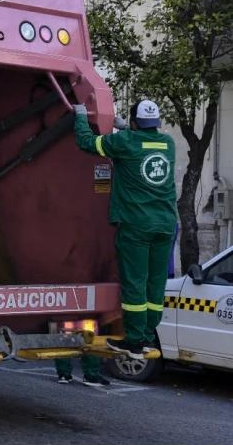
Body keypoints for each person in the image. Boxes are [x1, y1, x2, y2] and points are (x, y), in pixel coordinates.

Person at [73, 99, 177, 360]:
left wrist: (81, 117)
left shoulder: (126, 142)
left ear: (134, 122)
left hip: (137, 226)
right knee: (156, 283)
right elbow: (140, 141)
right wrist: (124, 128)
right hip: (165, 224)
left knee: (135, 284)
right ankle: (147, 335)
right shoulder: (168, 144)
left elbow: (88, 142)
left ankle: (133, 341)